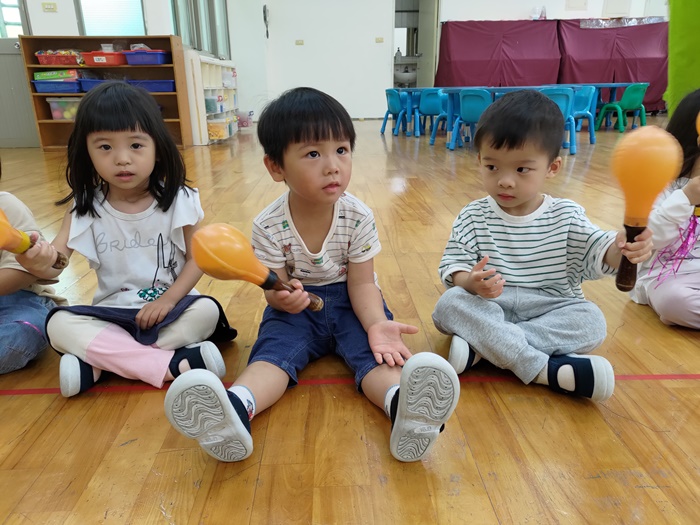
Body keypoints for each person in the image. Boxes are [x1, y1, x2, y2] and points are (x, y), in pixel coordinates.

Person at [164, 87, 459, 463]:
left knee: (376, 355)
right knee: (272, 357)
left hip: (352, 301)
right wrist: (282, 299)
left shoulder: (357, 216)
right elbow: (271, 285)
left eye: (342, 150)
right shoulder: (268, 224)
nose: (333, 165)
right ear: (276, 167)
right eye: (313, 154)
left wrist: (375, 324)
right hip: (296, 309)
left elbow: (362, 283)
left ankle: (403, 406)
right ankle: (236, 407)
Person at [16, 82, 236, 397]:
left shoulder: (181, 199)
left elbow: (198, 258)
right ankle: (173, 364)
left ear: (157, 147)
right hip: (112, 315)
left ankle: (101, 362)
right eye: (105, 147)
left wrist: (168, 300)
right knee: (58, 323)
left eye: (135, 145)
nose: (122, 159)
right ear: (86, 152)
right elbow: (56, 265)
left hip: (172, 309)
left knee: (207, 311)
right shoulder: (84, 207)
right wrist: (36, 259)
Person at [431, 90, 653, 402]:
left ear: (552, 167)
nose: (505, 181)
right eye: (492, 167)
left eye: (521, 169)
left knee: (592, 320)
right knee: (450, 303)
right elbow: (453, 265)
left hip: (551, 307)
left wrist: (625, 249)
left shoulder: (566, 215)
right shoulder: (473, 214)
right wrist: (470, 282)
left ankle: (483, 349)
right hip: (491, 307)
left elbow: (599, 249)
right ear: (480, 160)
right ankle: (545, 370)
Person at [630, 88, 700, 327]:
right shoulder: (660, 183)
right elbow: (649, 239)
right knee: (675, 302)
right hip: (667, 275)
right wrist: (686, 198)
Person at [1, 192, 67, 373]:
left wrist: (36, 258)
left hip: (18, 299)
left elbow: (24, 272)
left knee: (23, 332)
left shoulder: (5, 204)